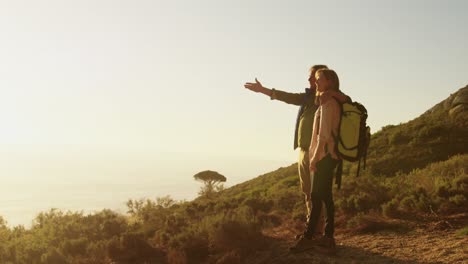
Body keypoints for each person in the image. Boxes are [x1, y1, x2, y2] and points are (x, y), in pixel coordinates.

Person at [244, 65, 328, 224]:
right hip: (304, 151)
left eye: (313, 77)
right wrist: (263, 90)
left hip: (318, 152)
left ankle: (318, 231)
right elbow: (287, 97)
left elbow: (344, 101)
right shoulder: (308, 97)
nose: (309, 79)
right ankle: (312, 228)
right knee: (307, 192)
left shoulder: (328, 98)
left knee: (316, 192)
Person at [290, 68, 351, 254]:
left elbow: (323, 136)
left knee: (316, 198)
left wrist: (314, 159)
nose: (315, 83)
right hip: (331, 156)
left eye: (318, 79)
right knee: (326, 197)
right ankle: (328, 237)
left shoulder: (328, 103)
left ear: (329, 82)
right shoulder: (330, 101)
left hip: (324, 156)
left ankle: (309, 238)